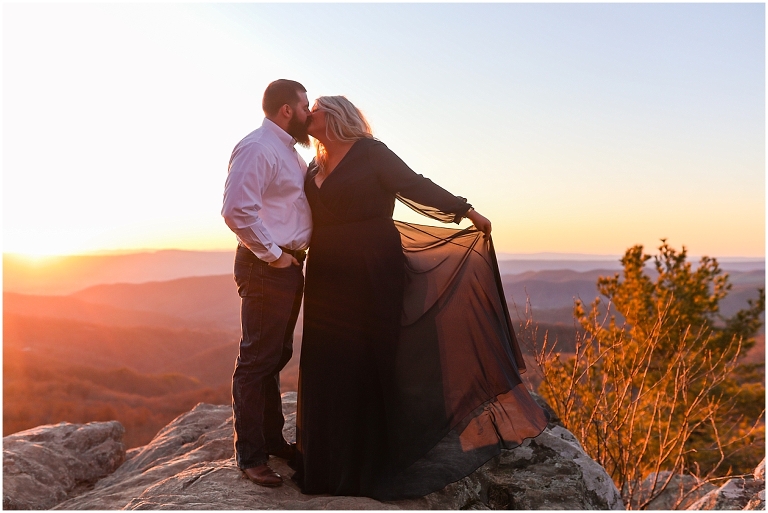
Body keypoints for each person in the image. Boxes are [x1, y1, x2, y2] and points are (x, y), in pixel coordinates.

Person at [293, 95, 550, 499]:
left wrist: (464, 209)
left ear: (336, 116)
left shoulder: (371, 153)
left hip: (373, 265)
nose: (307, 115)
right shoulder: (312, 164)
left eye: (315, 108)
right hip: (327, 272)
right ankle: (327, 461)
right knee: (327, 358)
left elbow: (415, 185)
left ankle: (370, 461)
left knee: (368, 355)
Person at [221, 79, 312, 487]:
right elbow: (237, 210)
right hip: (266, 267)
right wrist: (275, 257)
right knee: (257, 360)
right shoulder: (258, 147)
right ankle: (251, 456)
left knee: (275, 355)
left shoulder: (288, 152)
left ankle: (273, 439)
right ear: (287, 109)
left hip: (288, 265)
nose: (310, 114)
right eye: (305, 106)